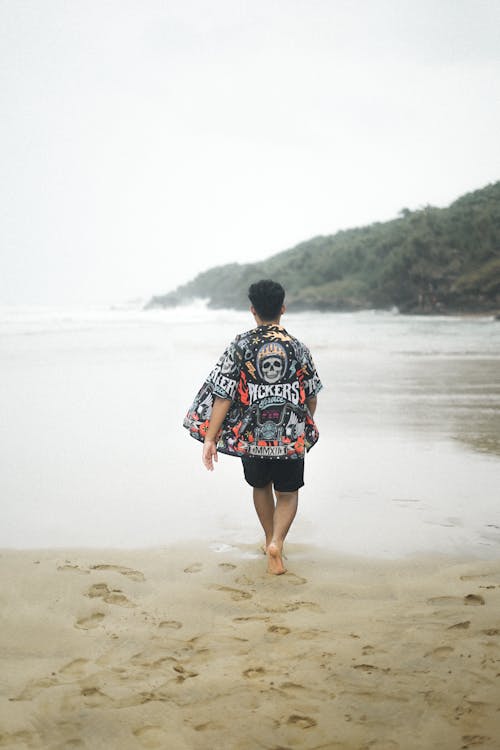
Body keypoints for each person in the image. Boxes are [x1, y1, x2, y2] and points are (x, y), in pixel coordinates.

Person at [183, 279, 322, 575]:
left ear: (252, 310)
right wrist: (304, 422)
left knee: (260, 485)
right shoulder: (298, 347)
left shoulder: (241, 345)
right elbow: (311, 395)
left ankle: (269, 539)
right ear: (282, 309)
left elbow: (223, 395)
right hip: (290, 434)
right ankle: (276, 543)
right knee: (288, 492)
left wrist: (210, 438)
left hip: (250, 436)